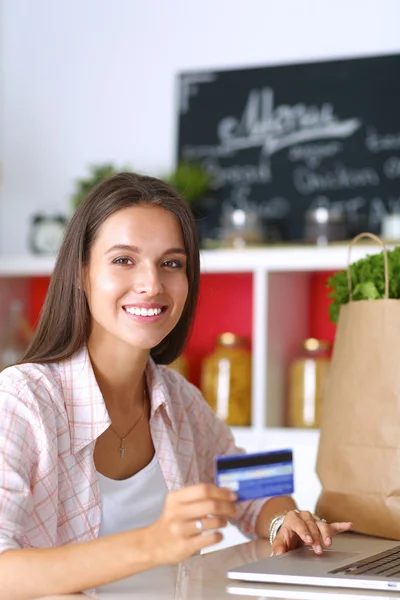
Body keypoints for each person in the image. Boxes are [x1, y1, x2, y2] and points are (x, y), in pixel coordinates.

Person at [0, 173, 352, 598]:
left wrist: (286, 520)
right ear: (81, 273)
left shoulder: (178, 398)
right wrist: (151, 544)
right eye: (124, 260)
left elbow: (254, 483)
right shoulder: (22, 400)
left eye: (171, 263)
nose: (151, 284)